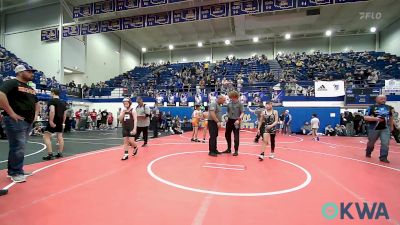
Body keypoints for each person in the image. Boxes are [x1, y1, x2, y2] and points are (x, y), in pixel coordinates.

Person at [0, 65, 40, 183]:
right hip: (16, 121)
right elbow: (1, 94)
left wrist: (35, 115)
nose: (32, 74)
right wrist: (11, 113)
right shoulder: (12, 83)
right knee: (18, 147)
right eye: (29, 72)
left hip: (27, 121)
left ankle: (16, 169)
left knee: (19, 147)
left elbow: (36, 102)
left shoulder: (30, 88)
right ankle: (15, 172)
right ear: (20, 72)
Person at [364, 95, 394, 163]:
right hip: (374, 128)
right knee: (371, 143)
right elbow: (365, 117)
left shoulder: (389, 108)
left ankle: (383, 157)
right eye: (381, 99)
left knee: (385, 143)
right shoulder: (371, 107)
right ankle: (368, 151)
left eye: (384, 99)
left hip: (385, 128)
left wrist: (392, 126)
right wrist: (375, 119)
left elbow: (391, 118)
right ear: (376, 99)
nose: (383, 100)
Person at [42, 89, 67, 160]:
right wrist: (63, 122)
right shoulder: (63, 102)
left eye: (50, 93)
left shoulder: (51, 101)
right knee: (60, 136)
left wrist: (51, 121)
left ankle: (50, 154)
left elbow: (52, 111)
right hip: (60, 120)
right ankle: (60, 153)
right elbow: (65, 114)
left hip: (54, 119)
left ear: (53, 93)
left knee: (46, 136)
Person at [223, 91, 244, 156]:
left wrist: (239, 119)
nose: (230, 98)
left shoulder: (240, 104)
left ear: (235, 97)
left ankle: (236, 150)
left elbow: (242, 113)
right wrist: (226, 117)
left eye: (231, 97)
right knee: (227, 135)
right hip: (229, 121)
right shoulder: (229, 104)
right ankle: (228, 149)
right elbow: (227, 112)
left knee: (236, 137)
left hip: (236, 121)